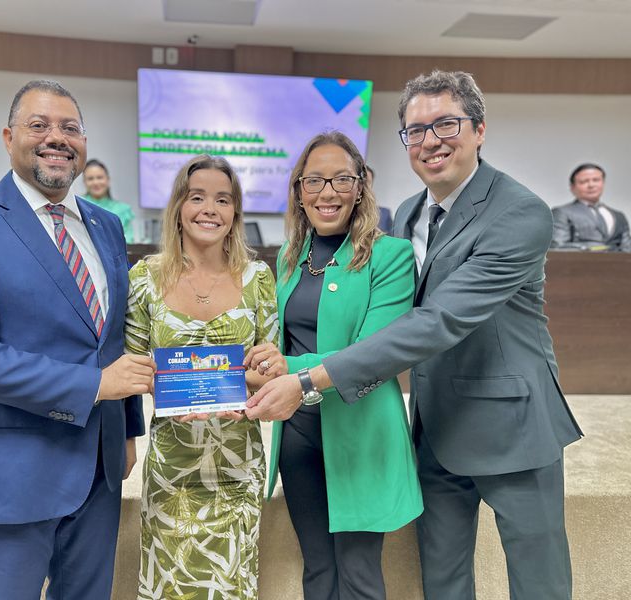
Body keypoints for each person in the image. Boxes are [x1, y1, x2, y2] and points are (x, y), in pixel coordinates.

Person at [247, 70, 583, 600]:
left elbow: (437, 321)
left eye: (446, 124)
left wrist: (307, 378)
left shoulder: (520, 211)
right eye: (415, 130)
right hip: (435, 426)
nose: (430, 141)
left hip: (512, 426)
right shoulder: (408, 213)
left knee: (539, 582)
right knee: (443, 583)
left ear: (479, 129)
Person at [0, 80, 154, 600]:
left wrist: (126, 431)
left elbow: (114, 339)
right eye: (39, 125)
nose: (57, 138)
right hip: (12, 469)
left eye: (70, 128)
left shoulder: (106, 225)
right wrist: (96, 386)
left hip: (98, 469)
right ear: (9, 138)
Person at [244, 132, 423, 600]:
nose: (328, 192)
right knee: (318, 570)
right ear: (299, 191)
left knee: (359, 576)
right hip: (299, 433)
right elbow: (275, 341)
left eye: (341, 179)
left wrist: (285, 366)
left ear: (360, 186)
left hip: (360, 430)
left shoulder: (391, 256)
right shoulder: (289, 257)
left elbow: (374, 352)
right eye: (315, 181)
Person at [124, 154, 279, 600]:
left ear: (235, 213)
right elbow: (130, 370)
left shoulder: (258, 278)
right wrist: (169, 387)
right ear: (178, 207)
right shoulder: (144, 278)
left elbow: (270, 371)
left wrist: (259, 374)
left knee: (231, 585)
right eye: (197, 197)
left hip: (237, 465)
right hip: (172, 468)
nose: (210, 209)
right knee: (169, 586)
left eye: (223, 199)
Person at [551, 163, 630, 252]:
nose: (591, 185)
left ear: (603, 183)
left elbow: (627, 249)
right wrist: (591, 248)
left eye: (596, 180)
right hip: (580, 260)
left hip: (618, 261)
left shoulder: (619, 216)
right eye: (584, 181)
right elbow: (558, 246)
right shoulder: (562, 212)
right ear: (572, 187)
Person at [82, 158, 135, 243]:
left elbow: (127, 242)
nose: (96, 182)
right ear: (84, 182)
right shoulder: (77, 206)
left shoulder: (123, 210)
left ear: (108, 179)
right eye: (90, 179)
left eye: (100, 177)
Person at [365, 164, 393, 232]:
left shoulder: (384, 214)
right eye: (361, 181)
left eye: (367, 182)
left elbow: (392, 236)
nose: (363, 186)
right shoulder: (344, 212)